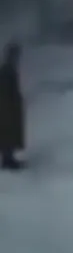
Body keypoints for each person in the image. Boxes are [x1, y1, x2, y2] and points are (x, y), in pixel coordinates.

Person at [0, 42, 25, 170]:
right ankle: (7, 160)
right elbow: (5, 91)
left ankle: (9, 159)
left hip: (10, 107)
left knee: (9, 135)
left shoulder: (10, 69)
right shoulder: (6, 70)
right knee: (7, 135)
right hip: (7, 108)